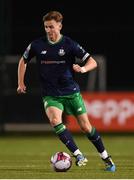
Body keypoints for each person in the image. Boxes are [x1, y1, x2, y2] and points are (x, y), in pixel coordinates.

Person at [17, 11, 116, 172]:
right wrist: (20, 82)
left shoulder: (69, 44)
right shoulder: (37, 44)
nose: (49, 30)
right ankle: (78, 155)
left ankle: (106, 157)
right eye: (46, 27)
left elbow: (93, 62)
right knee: (55, 120)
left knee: (86, 128)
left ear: (60, 26)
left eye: (52, 27)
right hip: (51, 94)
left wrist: (83, 69)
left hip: (71, 92)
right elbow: (23, 60)